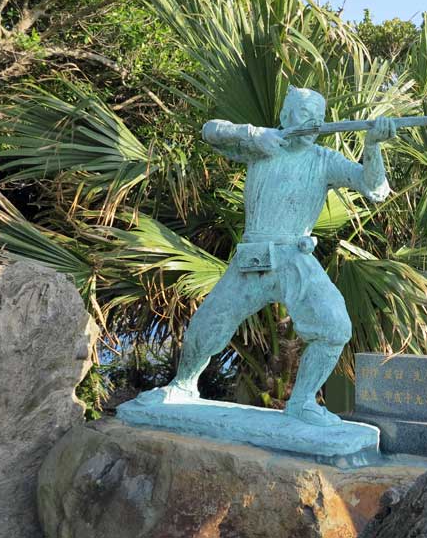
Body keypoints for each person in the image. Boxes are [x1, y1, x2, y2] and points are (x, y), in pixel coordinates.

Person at [144, 86, 395, 426]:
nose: (312, 125)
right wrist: (253, 135)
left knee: (334, 326)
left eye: (318, 120)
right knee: (209, 323)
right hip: (253, 256)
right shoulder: (262, 147)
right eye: (304, 117)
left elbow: (376, 189)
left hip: (296, 257)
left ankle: (303, 402)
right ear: (284, 117)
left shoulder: (324, 160)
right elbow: (211, 131)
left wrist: (374, 146)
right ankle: (183, 385)